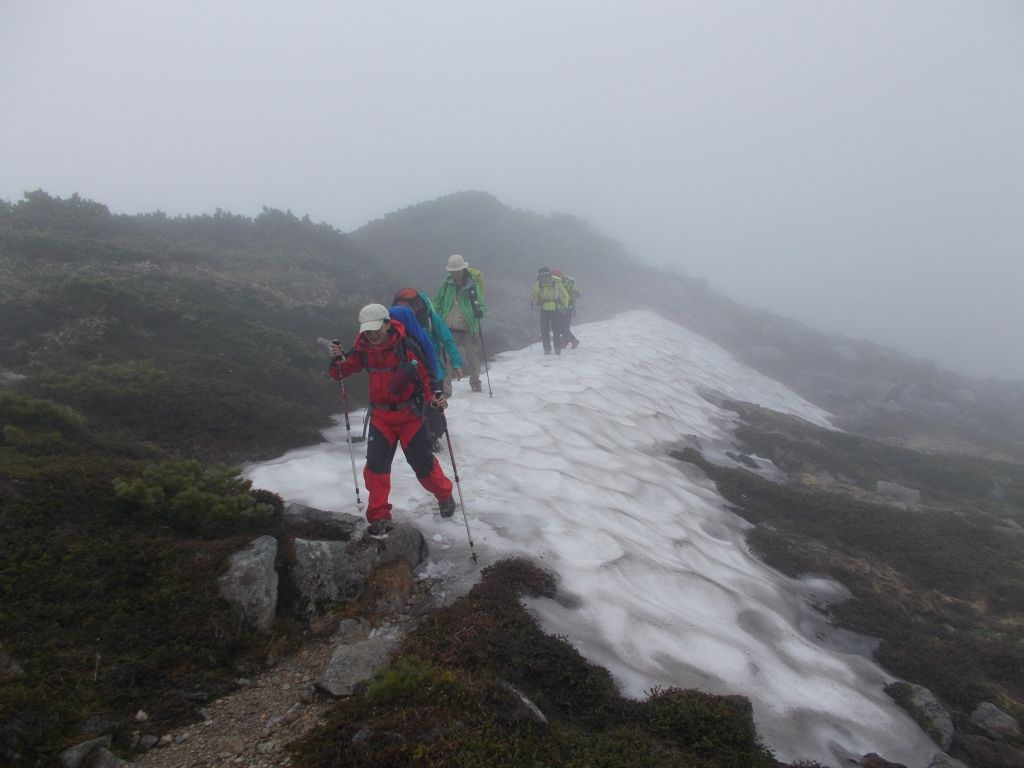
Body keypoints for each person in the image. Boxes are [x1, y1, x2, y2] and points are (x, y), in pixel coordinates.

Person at [328, 303, 455, 536]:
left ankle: (444, 494)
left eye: (376, 328)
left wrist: (436, 398)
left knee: (423, 465)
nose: (372, 334)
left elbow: (426, 376)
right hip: (381, 417)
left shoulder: (406, 345)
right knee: (376, 467)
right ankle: (379, 516)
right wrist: (337, 359)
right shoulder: (363, 348)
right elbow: (341, 372)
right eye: (367, 330)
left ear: (387, 323)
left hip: (410, 416)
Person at [391, 288, 464, 452]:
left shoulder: (430, 319)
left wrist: (457, 364)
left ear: (416, 306)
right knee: (415, 405)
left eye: (406, 307)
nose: (402, 310)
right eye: (399, 306)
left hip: (432, 369)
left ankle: (434, 435)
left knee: (432, 405)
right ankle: (419, 434)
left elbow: (447, 340)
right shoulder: (395, 319)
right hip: (408, 372)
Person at [434, 254, 486, 392]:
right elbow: (437, 303)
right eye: (453, 270)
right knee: (448, 358)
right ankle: (446, 388)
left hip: (468, 328)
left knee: (472, 357)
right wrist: (437, 320)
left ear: (463, 269)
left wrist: (480, 311)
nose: (455, 273)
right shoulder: (445, 285)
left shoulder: (472, 286)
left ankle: (475, 383)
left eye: (457, 270)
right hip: (449, 328)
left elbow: (481, 305)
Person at [531, 267, 571, 355]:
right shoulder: (556, 282)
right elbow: (565, 295)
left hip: (544, 309)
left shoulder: (539, 283)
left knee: (545, 331)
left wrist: (536, 301)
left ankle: (547, 349)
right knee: (556, 330)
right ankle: (557, 349)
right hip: (555, 309)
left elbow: (534, 295)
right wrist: (565, 306)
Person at [551, 269, 580, 349]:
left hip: (567, 307)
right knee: (562, 326)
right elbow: (578, 292)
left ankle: (572, 340)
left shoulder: (567, 283)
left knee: (563, 327)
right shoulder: (566, 282)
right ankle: (566, 341)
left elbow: (577, 291)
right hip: (562, 307)